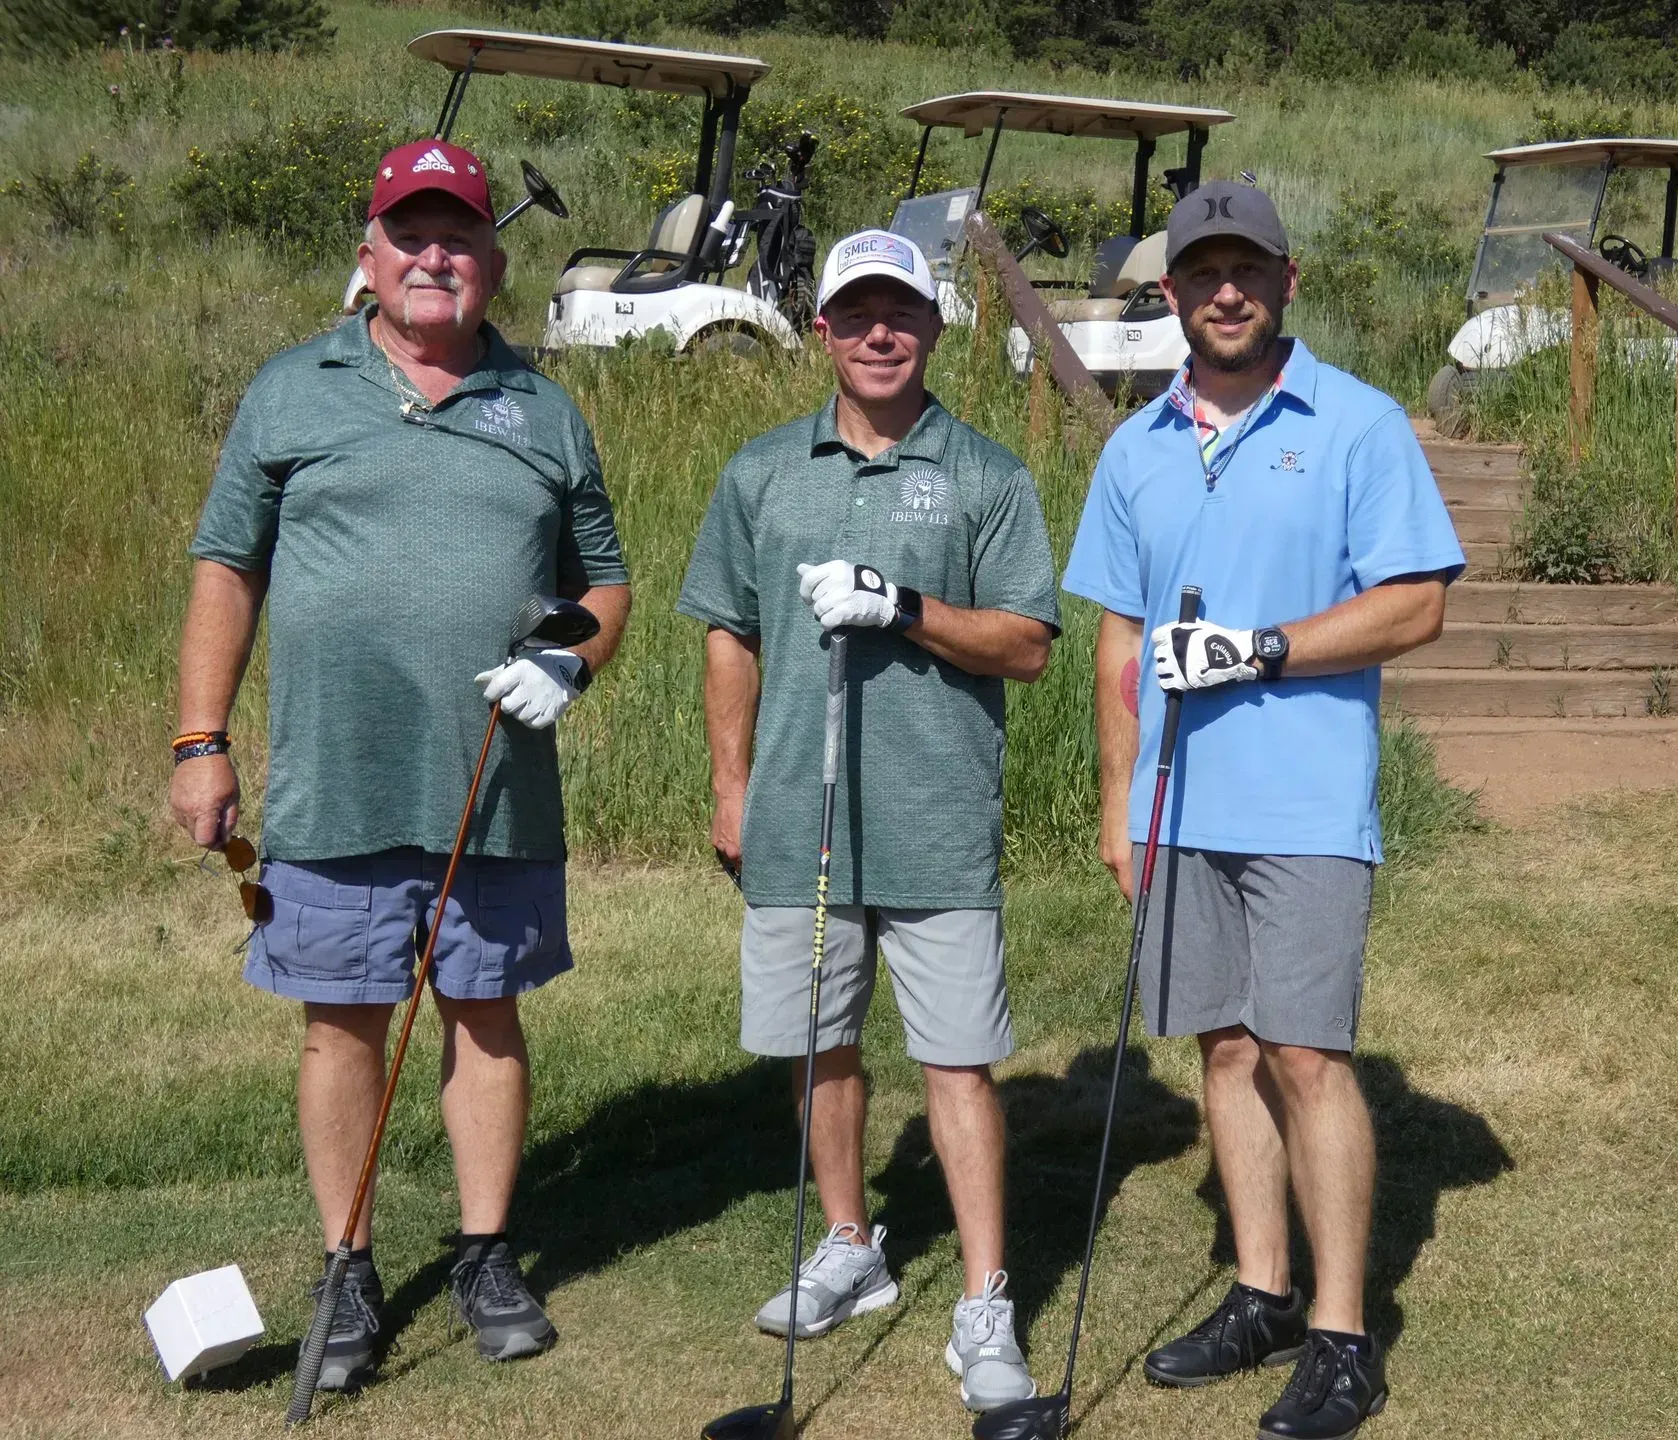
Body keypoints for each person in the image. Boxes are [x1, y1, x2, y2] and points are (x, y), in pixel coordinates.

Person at [169, 139, 631, 1392]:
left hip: (496, 779)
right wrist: (200, 740)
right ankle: (348, 1264)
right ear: (369, 256)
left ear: (493, 261)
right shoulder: (292, 389)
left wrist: (571, 663)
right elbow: (229, 565)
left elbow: (604, 578)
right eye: (411, 235)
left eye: (462, 236)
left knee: (486, 1013)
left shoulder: (543, 408)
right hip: (337, 776)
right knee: (342, 1025)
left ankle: (484, 1255)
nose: (437, 256)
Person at [1061, 181, 1464, 1440]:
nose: (1224, 290)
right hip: (1181, 803)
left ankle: (1343, 1336)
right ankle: (1262, 1291)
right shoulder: (1134, 447)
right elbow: (1119, 633)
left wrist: (1262, 652)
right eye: (1201, 271)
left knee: (1303, 1053)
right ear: (1170, 291)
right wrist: (1118, 793)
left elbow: (1416, 604)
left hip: (1303, 801)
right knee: (1222, 1050)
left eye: (1247, 269)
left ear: (1287, 281)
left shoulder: (1354, 423)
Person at [677, 229, 1059, 1413]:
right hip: (799, 817)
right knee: (819, 1045)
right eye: (857, 314)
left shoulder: (988, 474)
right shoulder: (760, 472)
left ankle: (985, 1300)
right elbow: (727, 631)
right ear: (826, 332)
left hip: (938, 814)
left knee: (958, 1062)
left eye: (902, 312)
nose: (881, 332)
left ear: (935, 327)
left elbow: (1029, 643)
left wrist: (902, 607)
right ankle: (853, 1244)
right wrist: (732, 787)